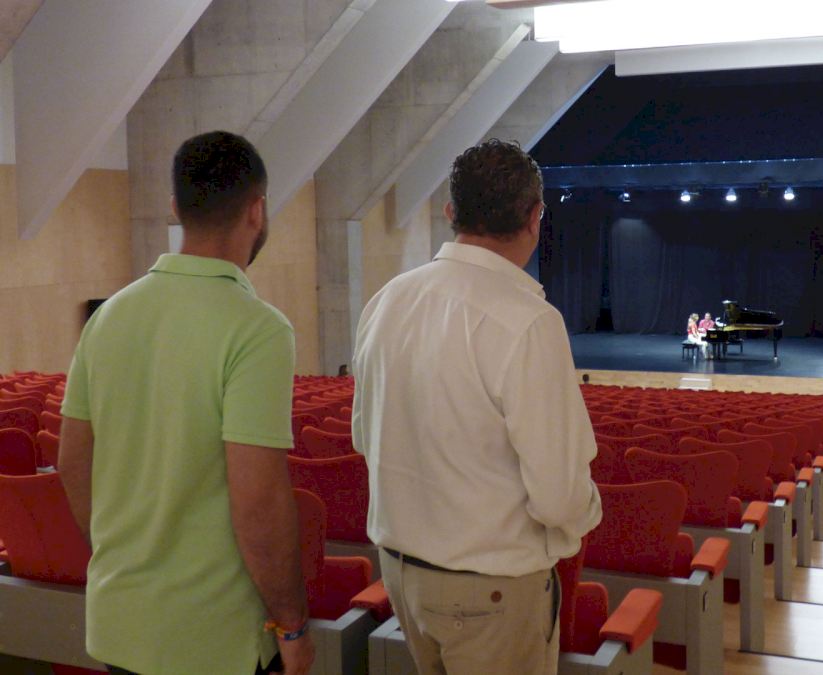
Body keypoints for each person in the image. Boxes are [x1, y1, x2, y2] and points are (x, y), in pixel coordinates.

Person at [57, 131, 313, 675]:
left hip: (120, 620)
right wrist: (291, 623)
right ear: (257, 210)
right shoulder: (258, 329)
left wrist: (122, 556)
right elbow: (258, 499)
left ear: (175, 207)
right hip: (212, 637)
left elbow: (73, 461)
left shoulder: (108, 316)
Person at [352, 139, 602, 675]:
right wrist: (587, 513)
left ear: (450, 212)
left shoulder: (386, 300)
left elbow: (362, 438)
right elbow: (559, 498)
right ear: (535, 217)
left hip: (401, 574)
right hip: (491, 592)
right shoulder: (529, 322)